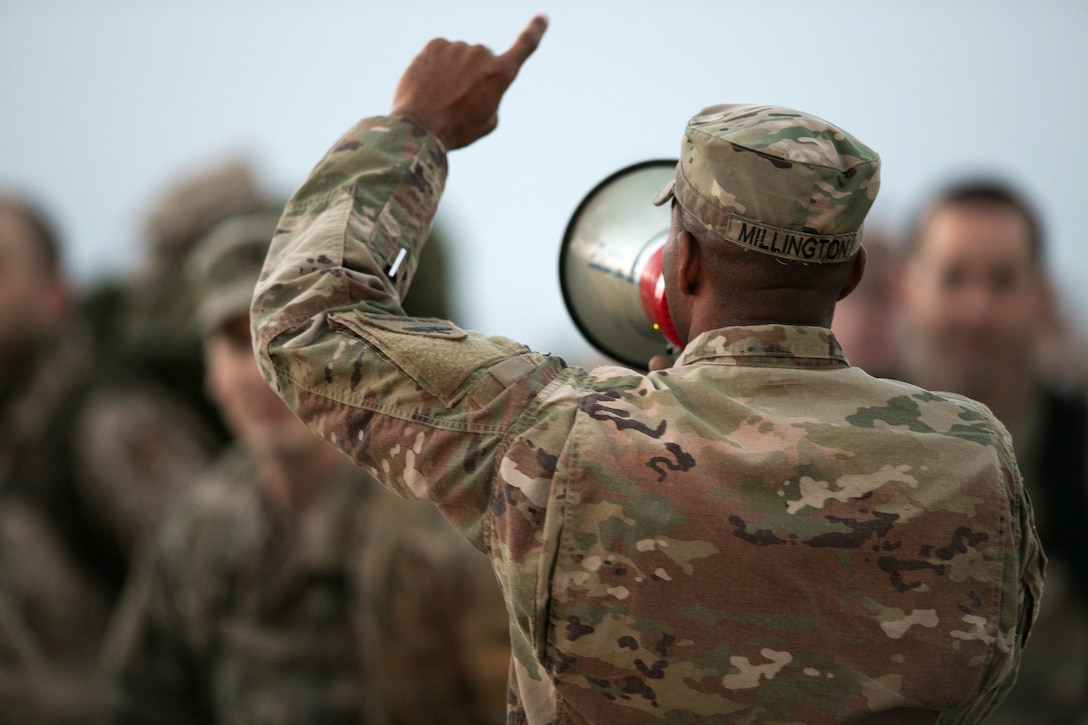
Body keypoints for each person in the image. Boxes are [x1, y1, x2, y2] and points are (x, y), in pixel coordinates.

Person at [251, 16, 1044, 723]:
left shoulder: (556, 439)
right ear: (852, 276)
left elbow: (304, 322)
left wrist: (415, 128)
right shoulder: (974, 457)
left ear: (682, 263)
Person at [104, 211, 510, 724]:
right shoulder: (198, 533)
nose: (268, 371)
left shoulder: (440, 533)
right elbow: (142, 700)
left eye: (298, 337)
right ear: (209, 372)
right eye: (238, 341)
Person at [896, 179, 1088, 724]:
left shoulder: (1075, 455)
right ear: (907, 288)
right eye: (954, 278)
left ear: (1042, 294)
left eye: (1002, 281)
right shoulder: (840, 443)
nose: (977, 310)